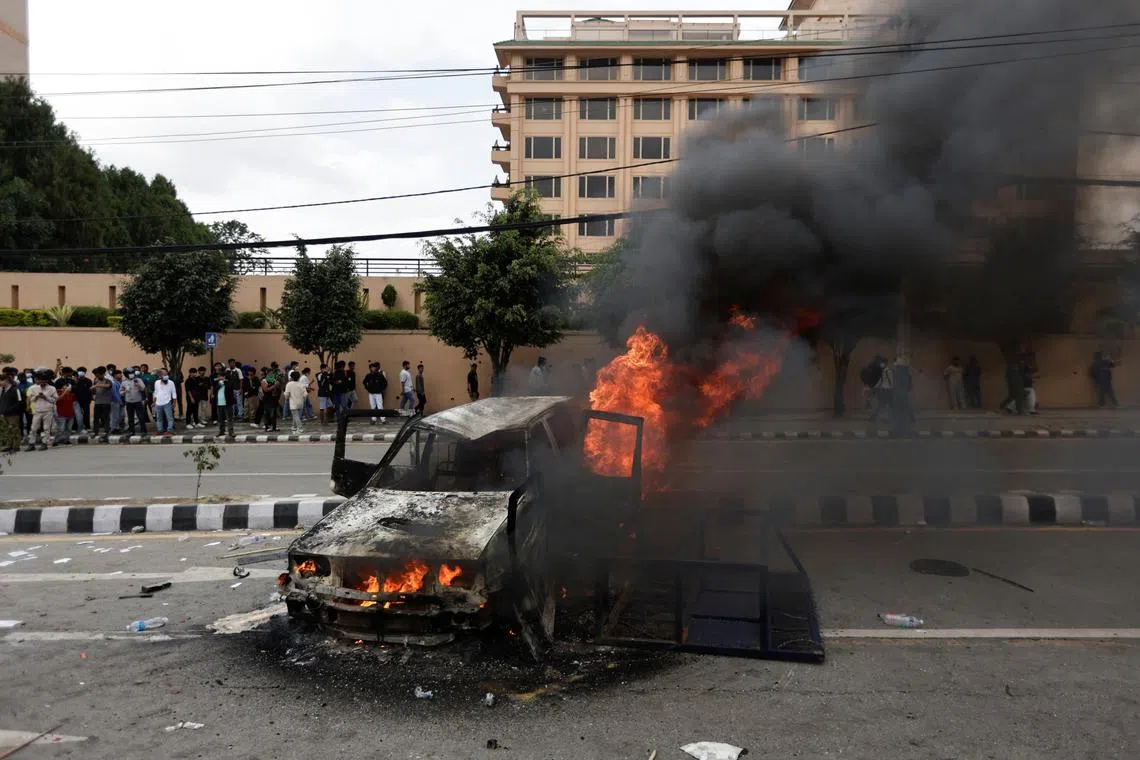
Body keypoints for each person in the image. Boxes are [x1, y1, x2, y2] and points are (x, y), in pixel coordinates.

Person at [26, 373, 57, 451]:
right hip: (38, 411)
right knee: (33, 428)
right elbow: (31, 399)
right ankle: (31, 444)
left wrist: (45, 397)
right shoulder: (34, 388)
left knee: (46, 428)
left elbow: (55, 399)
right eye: (40, 380)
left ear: (46, 380)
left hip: (48, 411)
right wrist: (36, 397)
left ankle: (44, 443)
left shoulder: (52, 388)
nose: (41, 382)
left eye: (43, 380)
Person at [0, 371, 24, 451]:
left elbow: (20, 402)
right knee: (7, 430)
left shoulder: (15, 390)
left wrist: (11, 409)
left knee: (14, 430)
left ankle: (16, 446)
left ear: (6, 380)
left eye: (1, 381)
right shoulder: (3, 391)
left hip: (13, 414)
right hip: (4, 414)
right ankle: (9, 445)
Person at [122, 369, 148, 434]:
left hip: (138, 402)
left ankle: (143, 430)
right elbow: (120, 392)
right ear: (126, 375)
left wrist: (138, 385)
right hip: (129, 402)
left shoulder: (138, 380)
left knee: (141, 416)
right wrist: (125, 391)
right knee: (130, 418)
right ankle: (131, 431)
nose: (131, 374)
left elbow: (143, 388)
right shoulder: (124, 382)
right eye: (129, 373)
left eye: (132, 373)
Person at [91, 366, 113, 441]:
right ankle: (95, 432)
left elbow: (108, 386)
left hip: (106, 402)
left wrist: (97, 385)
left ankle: (107, 431)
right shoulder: (95, 380)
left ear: (102, 374)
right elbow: (94, 391)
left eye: (98, 375)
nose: (97, 376)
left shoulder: (107, 380)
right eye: (96, 375)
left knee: (106, 418)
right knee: (96, 418)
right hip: (97, 402)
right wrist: (93, 391)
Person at [152, 368, 176, 435]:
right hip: (158, 403)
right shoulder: (156, 382)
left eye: (165, 373)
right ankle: (160, 430)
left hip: (167, 402)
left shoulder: (171, 382)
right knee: (159, 418)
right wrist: (154, 402)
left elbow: (174, 393)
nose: (164, 374)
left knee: (169, 417)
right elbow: (156, 392)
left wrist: (174, 402)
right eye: (162, 373)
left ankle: (170, 430)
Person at [215, 372, 236, 437]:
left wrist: (224, 382)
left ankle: (231, 432)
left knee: (229, 418)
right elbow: (214, 389)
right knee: (220, 419)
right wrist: (219, 383)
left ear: (224, 377)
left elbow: (231, 387)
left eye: (220, 376)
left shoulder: (229, 382)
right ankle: (221, 431)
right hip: (219, 403)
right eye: (218, 376)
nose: (219, 378)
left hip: (227, 403)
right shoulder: (217, 383)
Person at [260, 366, 281, 432]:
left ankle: (274, 427)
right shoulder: (264, 380)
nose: (272, 375)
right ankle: (267, 427)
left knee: (274, 414)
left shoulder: (275, 380)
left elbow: (279, 389)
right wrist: (274, 386)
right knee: (267, 414)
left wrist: (278, 386)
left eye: (273, 373)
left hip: (274, 399)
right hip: (267, 399)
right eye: (270, 373)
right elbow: (265, 390)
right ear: (267, 373)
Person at [73, 366, 93, 432]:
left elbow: (91, 391)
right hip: (77, 400)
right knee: (76, 414)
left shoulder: (88, 381)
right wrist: (76, 382)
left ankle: (87, 426)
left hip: (86, 400)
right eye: (79, 371)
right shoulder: (75, 381)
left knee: (86, 413)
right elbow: (73, 390)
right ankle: (75, 427)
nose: (81, 373)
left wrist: (90, 399)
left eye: (83, 371)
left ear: (85, 372)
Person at [109, 368, 125, 433]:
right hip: (115, 401)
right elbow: (115, 393)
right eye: (119, 374)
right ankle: (113, 429)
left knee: (120, 415)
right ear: (115, 375)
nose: (121, 375)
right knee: (114, 416)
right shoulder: (113, 383)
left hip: (120, 401)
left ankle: (116, 427)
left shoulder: (119, 382)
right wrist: (119, 401)